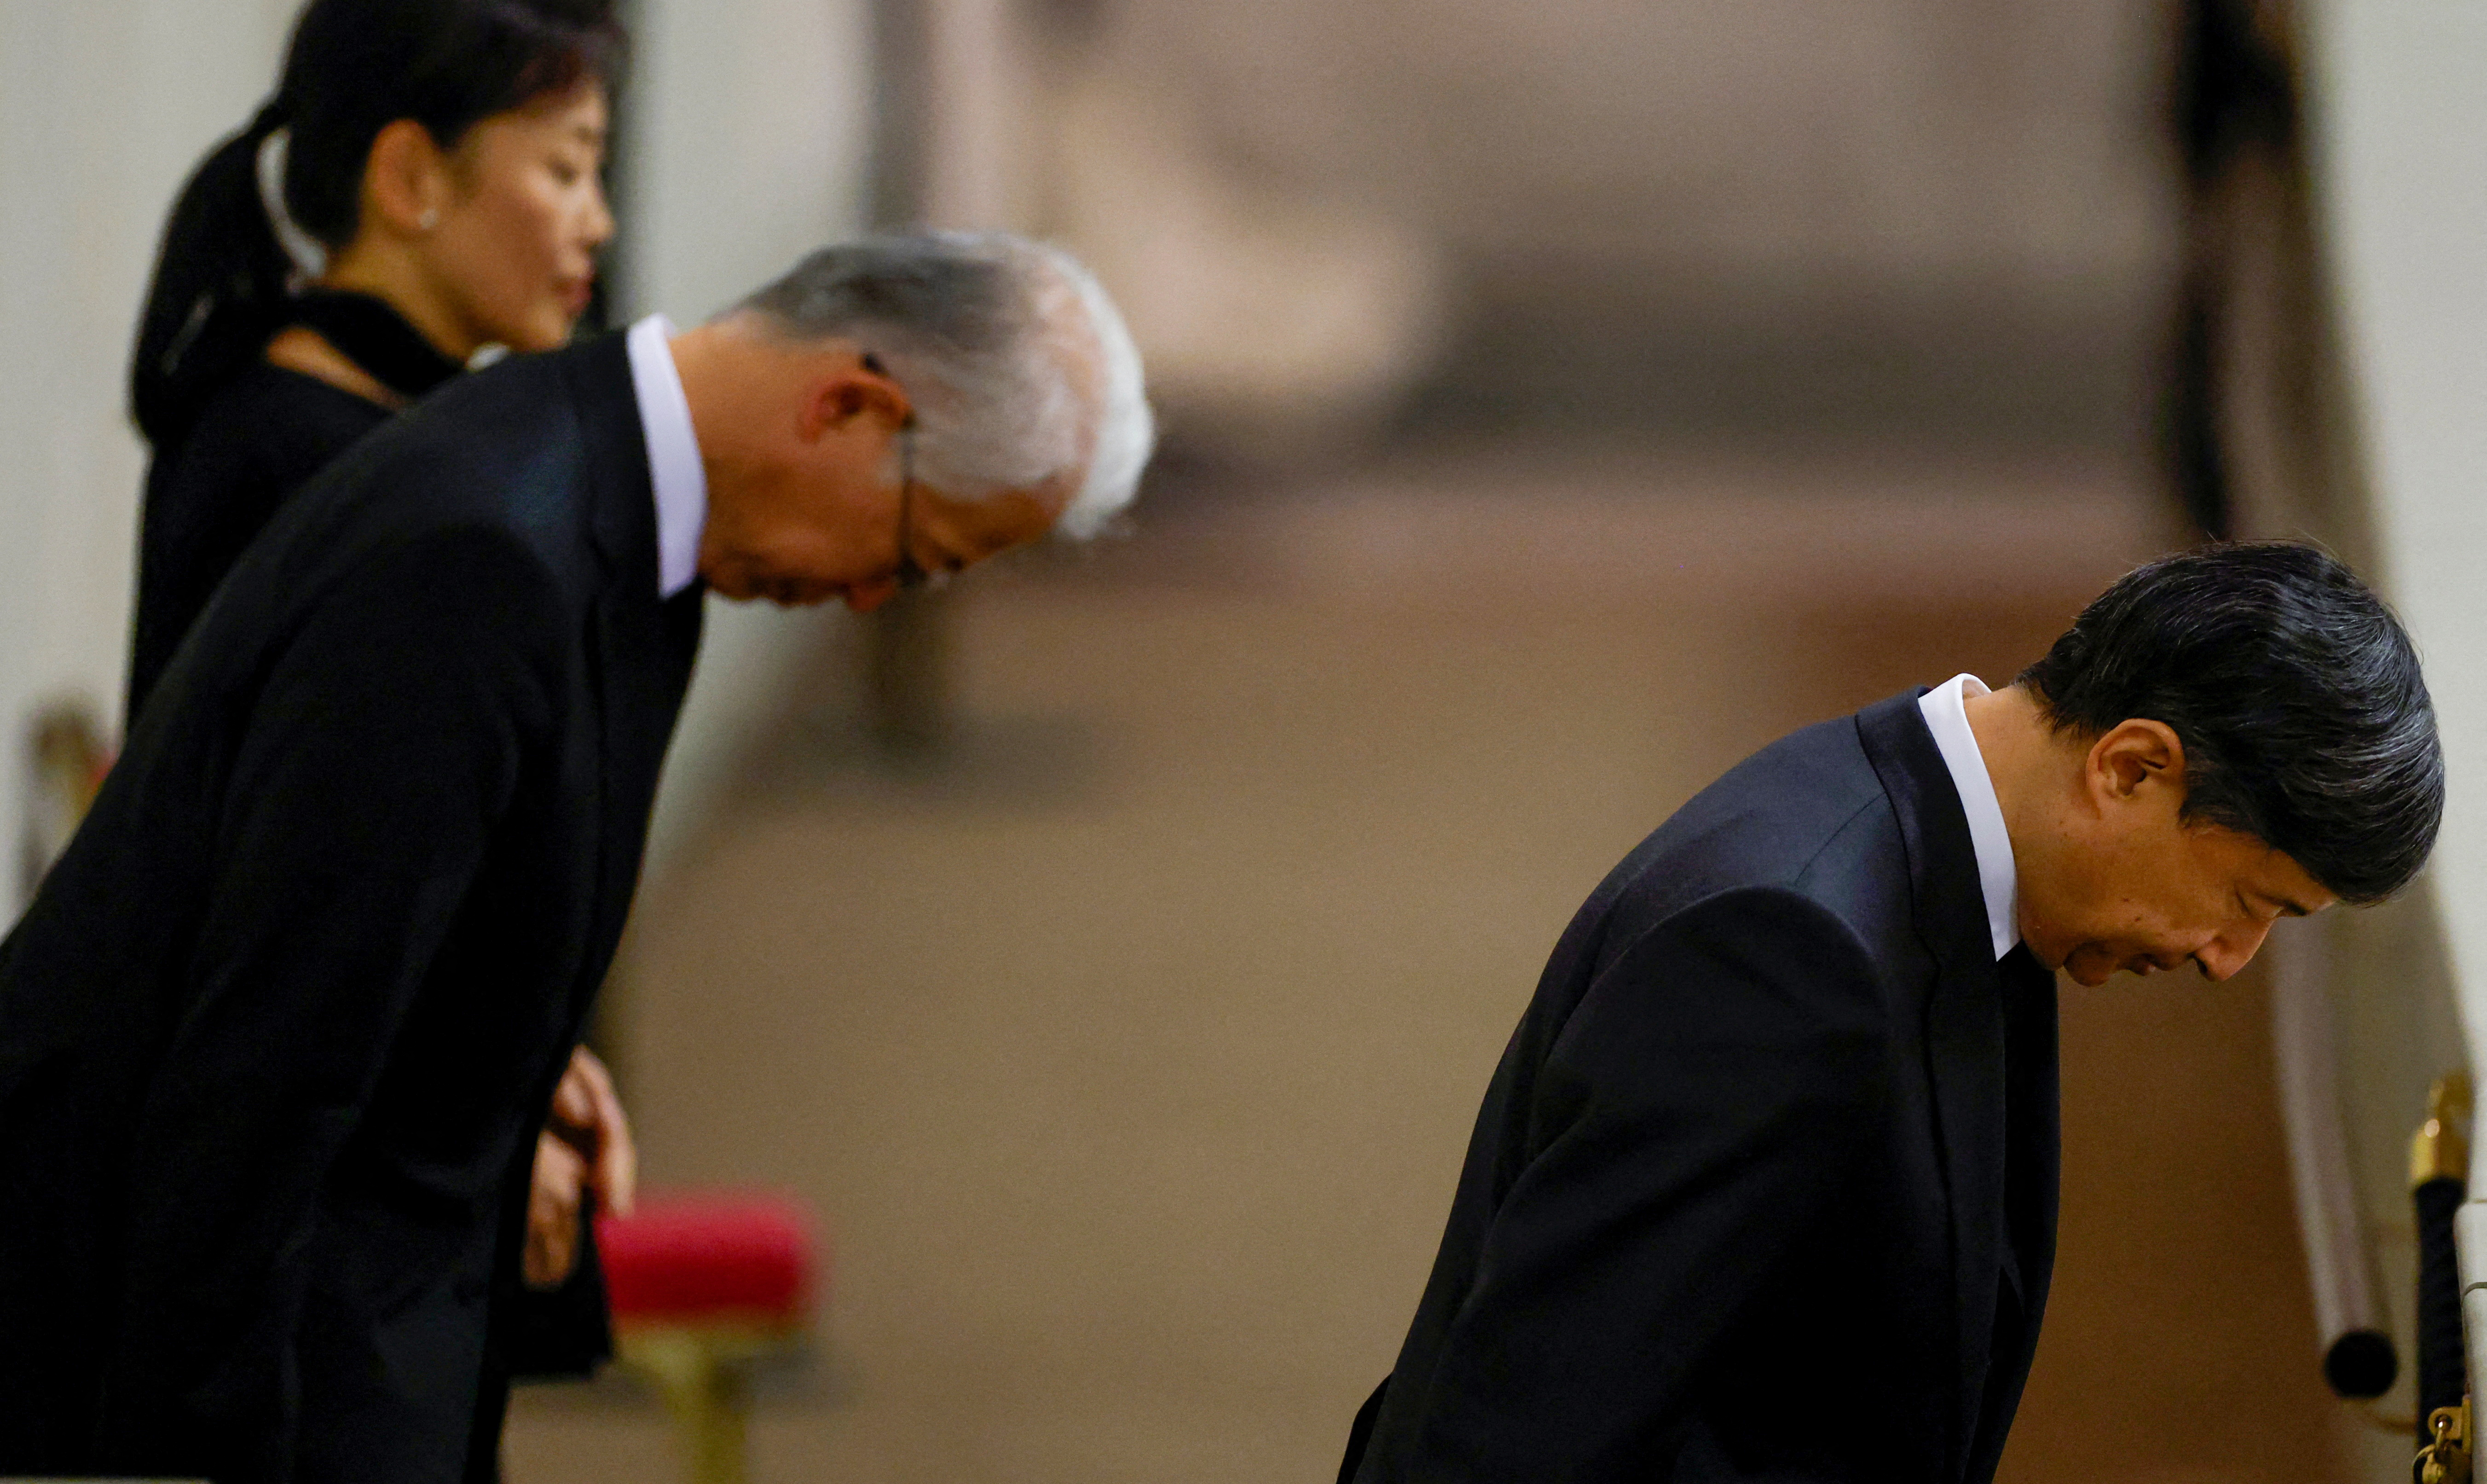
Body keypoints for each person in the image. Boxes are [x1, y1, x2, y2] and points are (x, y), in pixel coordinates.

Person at [0, 231, 1153, 1483]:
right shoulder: (482, 550)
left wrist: (512, 1052)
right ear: (850, 407)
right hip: (184, 1355)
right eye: (911, 555)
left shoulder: (615, 502)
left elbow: (383, 906)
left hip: (371, 1319)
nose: (874, 600)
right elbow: (258, 1082)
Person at [1337, 543, 2441, 1484]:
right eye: (2248, 902)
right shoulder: (1785, 952)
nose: (2228, 960)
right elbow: (1524, 1434)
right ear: (2131, 766)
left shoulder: (1948, 861)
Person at [118, 0, 641, 1415]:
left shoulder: (363, 434)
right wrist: (484, 1099)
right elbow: (305, 897)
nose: (594, 222)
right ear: (411, 180)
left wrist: (530, 1054)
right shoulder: (302, 458)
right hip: (309, 1186)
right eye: (563, 168)